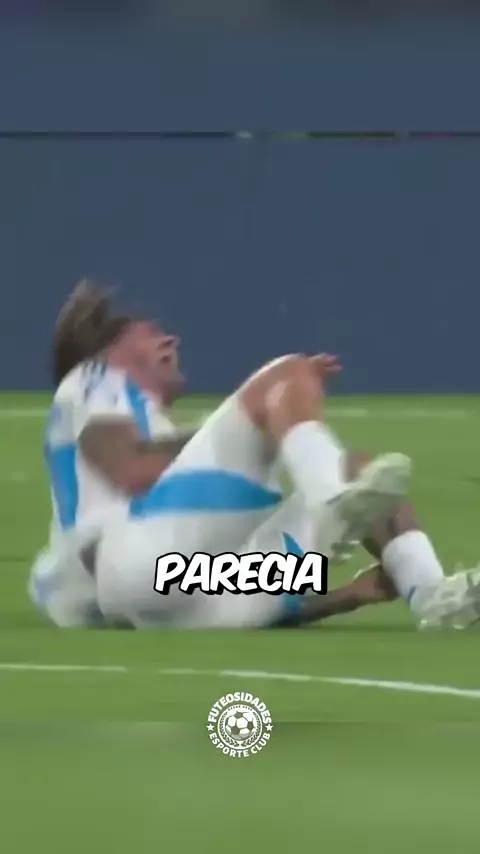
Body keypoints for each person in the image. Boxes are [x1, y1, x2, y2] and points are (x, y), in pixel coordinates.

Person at [29, 281, 480, 630]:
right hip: (145, 565)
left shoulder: (141, 444)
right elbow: (132, 469)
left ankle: (432, 596)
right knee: (286, 372)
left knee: (359, 473)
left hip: (183, 590)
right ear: (109, 353)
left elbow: (204, 592)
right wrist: (272, 405)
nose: (171, 340)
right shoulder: (92, 380)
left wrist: (350, 596)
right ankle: (331, 497)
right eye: (150, 334)